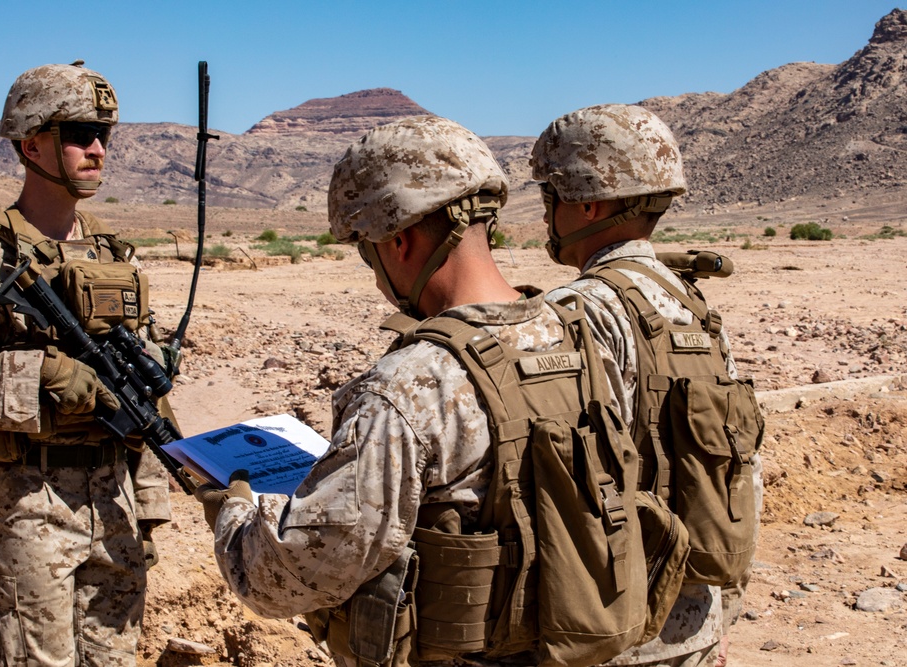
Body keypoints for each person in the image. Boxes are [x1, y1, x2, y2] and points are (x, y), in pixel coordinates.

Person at [196, 115, 643, 666]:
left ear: (400, 241)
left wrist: (234, 512)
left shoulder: (407, 386)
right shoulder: (587, 340)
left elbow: (291, 576)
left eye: (367, 250)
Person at [0, 61, 173, 666]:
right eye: (79, 133)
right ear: (31, 143)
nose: (98, 149)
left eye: (105, 133)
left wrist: (151, 506)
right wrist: (41, 378)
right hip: (24, 514)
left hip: (116, 510)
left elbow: (144, 396)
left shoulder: (116, 257)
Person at [530, 104, 764, 667]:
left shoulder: (577, 310)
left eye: (550, 198)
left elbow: (566, 483)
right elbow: (739, 476)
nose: (547, 216)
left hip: (620, 630)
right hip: (695, 623)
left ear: (586, 203)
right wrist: (720, 614)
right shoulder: (691, 304)